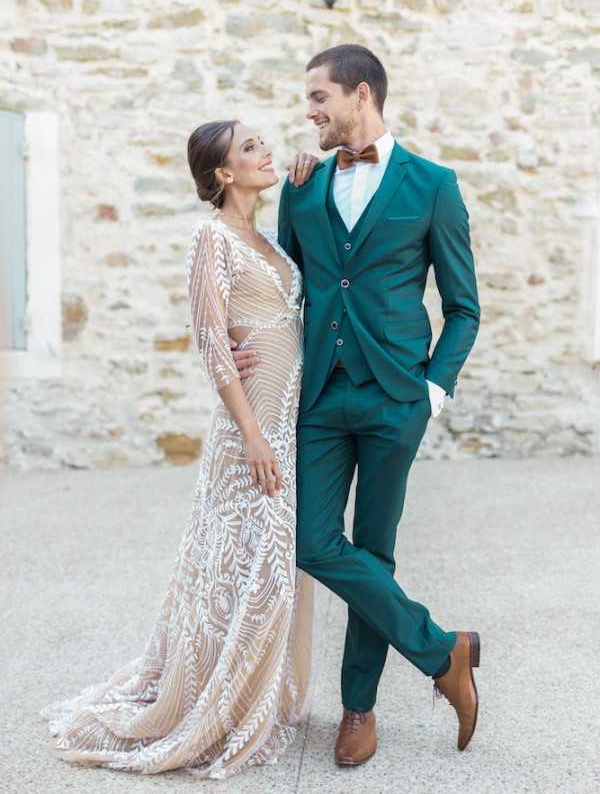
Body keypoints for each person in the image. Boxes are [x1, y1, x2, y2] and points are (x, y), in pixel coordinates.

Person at [39, 121, 319, 780]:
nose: (265, 152)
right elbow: (213, 342)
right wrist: (252, 436)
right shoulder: (211, 237)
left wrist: (307, 173)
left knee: (274, 572)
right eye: (249, 148)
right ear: (221, 174)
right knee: (243, 570)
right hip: (250, 437)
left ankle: (256, 691)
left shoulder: (272, 240)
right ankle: (208, 703)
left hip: (288, 426)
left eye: (262, 144)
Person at [230, 44, 482, 767]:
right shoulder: (302, 187)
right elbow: (287, 290)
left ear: (361, 94)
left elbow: (464, 307)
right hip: (320, 395)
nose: (308, 112)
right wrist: (247, 348)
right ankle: (443, 651)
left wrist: (432, 391)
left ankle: (358, 709)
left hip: (396, 395)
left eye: (319, 99)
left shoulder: (433, 185)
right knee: (311, 542)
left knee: (374, 550)